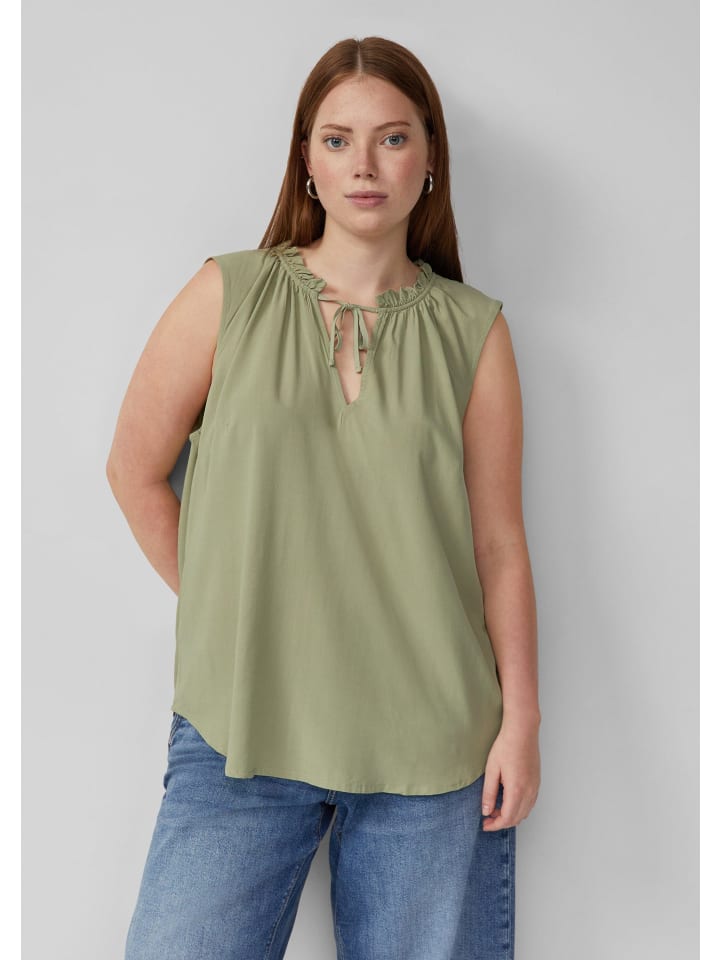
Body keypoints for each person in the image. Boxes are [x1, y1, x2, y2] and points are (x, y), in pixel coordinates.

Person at [106, 35, 541, 960]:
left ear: (430, 156)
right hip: (243, 726)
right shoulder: (227, 295)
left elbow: (499, 543)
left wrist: (522, 721)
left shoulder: (475, 333)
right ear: (306, 157)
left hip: (432, 740)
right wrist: (231, 610)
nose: (364, 165)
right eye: (338, 140)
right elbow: (133, 471)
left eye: (393, 138)